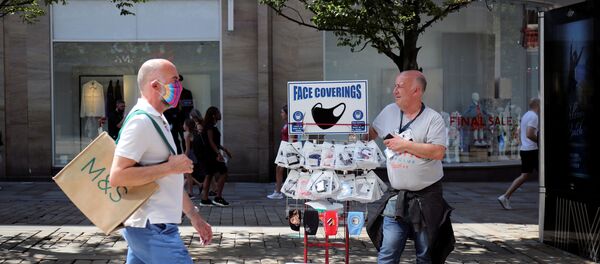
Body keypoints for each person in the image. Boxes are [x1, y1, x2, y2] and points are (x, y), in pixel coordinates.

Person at [109, 59, 212, 263]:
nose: (178, 87)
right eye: (174, 81)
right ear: (155, 85)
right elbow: (118, 176)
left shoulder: (159, 119)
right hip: (152, 228)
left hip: (151, 226)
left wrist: (194, 216)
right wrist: (170, 167)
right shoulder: (141, 122)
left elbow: (167, 179)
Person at [366, 70, 454, 264]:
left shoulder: (433, 118)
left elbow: (438, 152)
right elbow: (370, 134)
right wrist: (348, 123)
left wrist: (404, 145)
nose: (394, 90)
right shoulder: (389, 111)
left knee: (425, 255)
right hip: (397, 196)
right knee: (388, 252)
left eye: (400, 86)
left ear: (416, 91)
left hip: (427, 198)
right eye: (395, 85)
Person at [498, 98, 540, 210]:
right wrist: (540, 141)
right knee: (543, 174)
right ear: (538, 105)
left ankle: (505, 196)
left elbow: (519, 132)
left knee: (525, 175)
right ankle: (505, 196)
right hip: (532, 150)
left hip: (525, 149)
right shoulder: (534, 117)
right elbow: (529, 134)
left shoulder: (526, 115)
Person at [199, 106, 232, 207]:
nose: (220, 114)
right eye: (218, 113)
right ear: (214, 115)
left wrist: (224, 149)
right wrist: (218, 154)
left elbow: (215, 142)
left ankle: (204, 200)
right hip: (211, 155)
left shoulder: (211, 126)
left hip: (210, 154)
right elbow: (211, 142)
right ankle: (218, 197)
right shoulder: (209, 127)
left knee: (209, 175)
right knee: (224, 172)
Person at [267, 105, 295, 199]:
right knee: (278, 169)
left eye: (282, 112)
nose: (281, 114)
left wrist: (289, 150)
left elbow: (293, 138)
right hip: (283, 148)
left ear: (287, 114)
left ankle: (279, 191)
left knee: (281, 169)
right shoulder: (286, 124)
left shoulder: (291, 124)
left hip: (288, 148)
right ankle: (278, 191)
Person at [183, 118, 202, 197]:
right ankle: (199, 185)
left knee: (188, 175)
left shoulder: (187, 135)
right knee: (187, 174)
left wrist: (184, 158)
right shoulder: (196, 133)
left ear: (187, 126)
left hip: (190, 156)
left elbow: (187, 149)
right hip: (195, 155)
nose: (183, 125)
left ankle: (190, 192)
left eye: (184, 124)